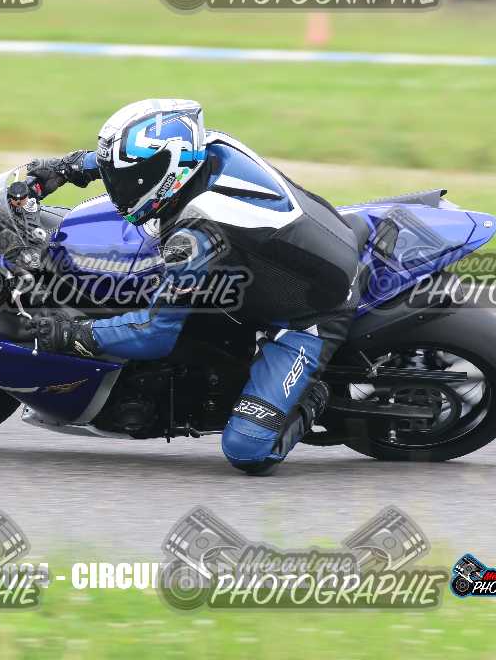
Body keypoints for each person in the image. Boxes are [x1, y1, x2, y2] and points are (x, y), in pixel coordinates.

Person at [24, 99, 363, 474]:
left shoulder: (196, 236)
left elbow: (153, 333)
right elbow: (134, 162)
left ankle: (312, 394)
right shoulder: (201, 148)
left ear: (163, 174)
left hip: (310, 313)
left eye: (129, 181)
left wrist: (74, 334)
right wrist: (69, 167)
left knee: (247, 450)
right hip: (288, 251)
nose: (119, 189)